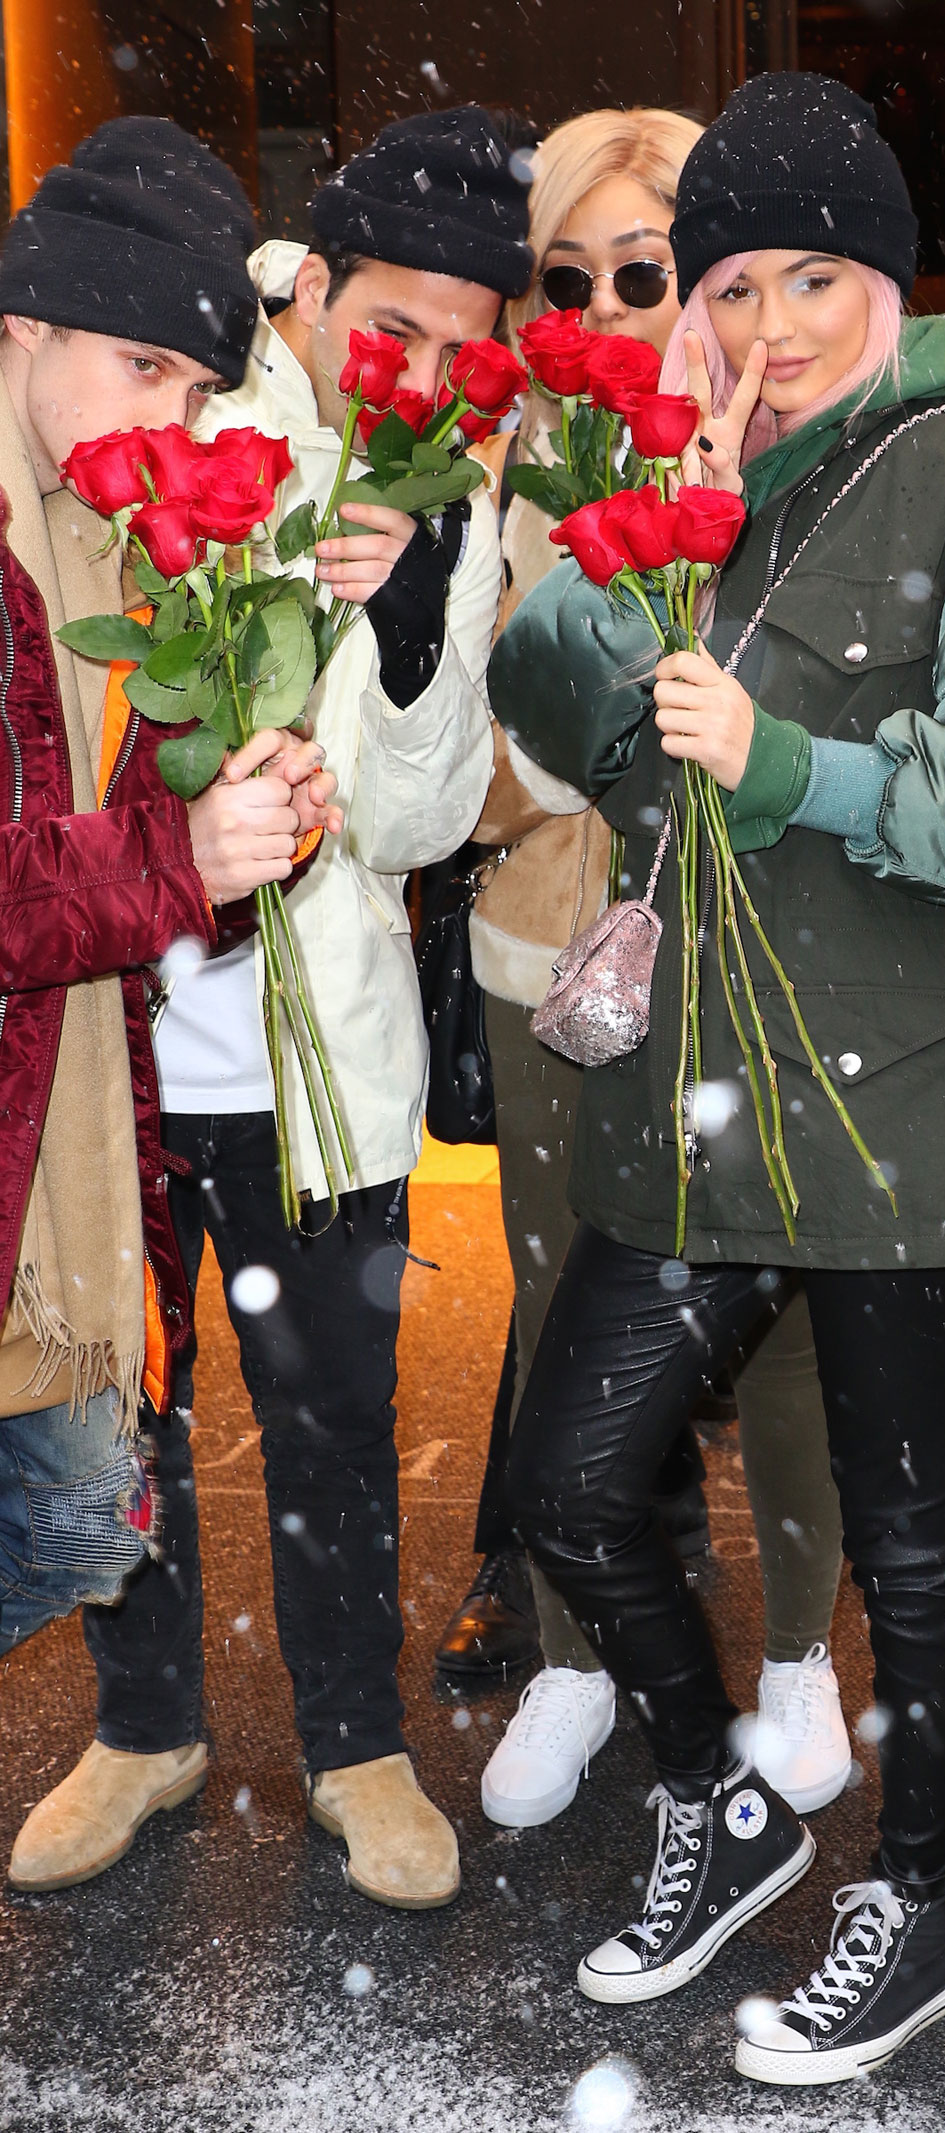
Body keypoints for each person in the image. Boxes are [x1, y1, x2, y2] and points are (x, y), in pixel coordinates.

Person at [490, 71, 945, 2085]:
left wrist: (799, 768)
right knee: (575, 1482)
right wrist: (614, 540)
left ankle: (910, 1906)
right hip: (703, 1088)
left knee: (918, 1551)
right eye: (736, 282)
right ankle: (732, 1802)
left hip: (905, 1099)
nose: (769, 324)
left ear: (881, 276)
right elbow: (583, 728)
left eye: (812, 280)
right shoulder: (715, 470)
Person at [9, 108, 516, 1910]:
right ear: (311, 287)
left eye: (466, 341)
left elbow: (422, 820)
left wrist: (411, 628)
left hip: (312, 1044)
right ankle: (146, 1719)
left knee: (329, 1407)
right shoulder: (136, 419)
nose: (424, 370)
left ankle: (356, 1746)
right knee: (124, 1395)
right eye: (396, 320)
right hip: (112, 1037)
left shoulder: (436, 485)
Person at [437, 105, 853, 1836]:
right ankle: (576, 1654)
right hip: (546, 951)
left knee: (771, 1319)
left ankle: (805, 1662)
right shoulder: (493, 472)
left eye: (648, 266)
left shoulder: (788, 447)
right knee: (558, 1307)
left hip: (749, 950)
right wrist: (574, 745)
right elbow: (446, 760)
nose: (610, 304)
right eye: (570, 273)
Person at [0, 120, 337, 1655]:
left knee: (54, 1552)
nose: (173, 415)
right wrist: (169, 857)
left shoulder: (105, 546)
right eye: (145, 367)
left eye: (197, 389)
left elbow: (128, 870)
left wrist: (252, 818)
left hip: (56, 1185)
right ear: (29, 321)